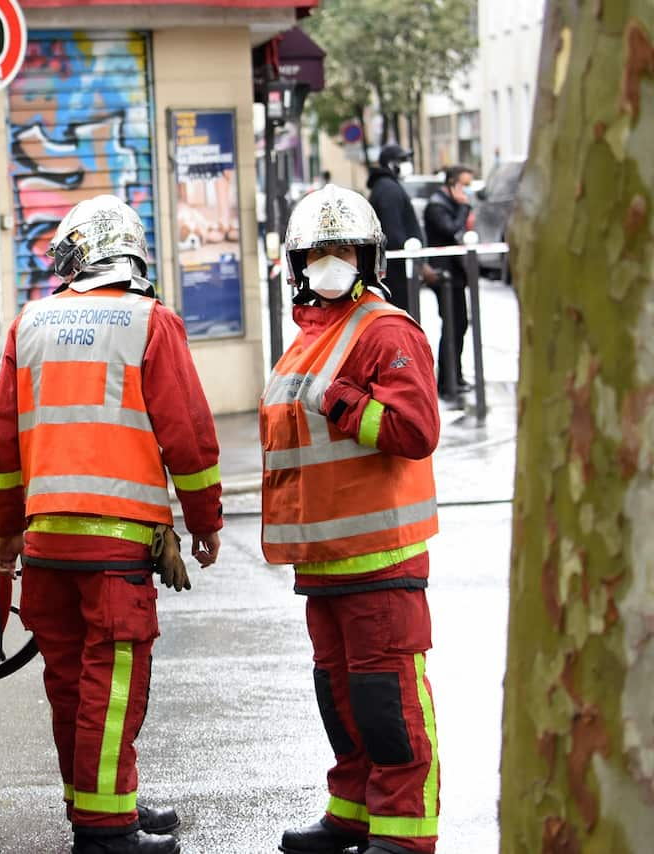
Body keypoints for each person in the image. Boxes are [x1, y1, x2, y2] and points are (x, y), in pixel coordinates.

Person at [0, 195, 223, 854]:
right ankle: (105, 830)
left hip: (46, 545)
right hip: (115, 546)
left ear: (70, 256)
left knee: (71, 688)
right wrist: (203, 521)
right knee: (112, 688)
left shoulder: (28, 323)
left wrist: (5, 531)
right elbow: (190, 436)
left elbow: (3, 445)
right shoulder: (151, 321)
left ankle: (104, 801)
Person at [260, 185, 442, 854]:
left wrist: (344, 402)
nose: (329, 261)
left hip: (380, 556)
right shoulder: (311, 336)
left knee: (386, 698)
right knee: (340, 697)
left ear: (368, 256)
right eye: (318, 251)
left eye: (342, 250)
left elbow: (415, 428)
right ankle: (353, 813)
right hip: (325, 558)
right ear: (299, 262)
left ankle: (404, 831)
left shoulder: (384, 329)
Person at [423, 164, 476, 395]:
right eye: (465, 185)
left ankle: (455, 375)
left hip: (455, 275)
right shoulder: (437, 206)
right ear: (453, 183)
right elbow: (453, 231)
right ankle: (447, 379)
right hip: (444, 276)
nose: (467, 191)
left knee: (460, 323)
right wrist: (463, 207)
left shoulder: (447, 204)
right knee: (452, 324)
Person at [366, 144, 424, 313]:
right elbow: (393, 231)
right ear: (391, 164)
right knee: (403, 310)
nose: (408, 164)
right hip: (398, 267)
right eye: (403, 160)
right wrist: (409, 260)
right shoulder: (388, 189)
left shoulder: (386, 186)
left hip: (396, 265)